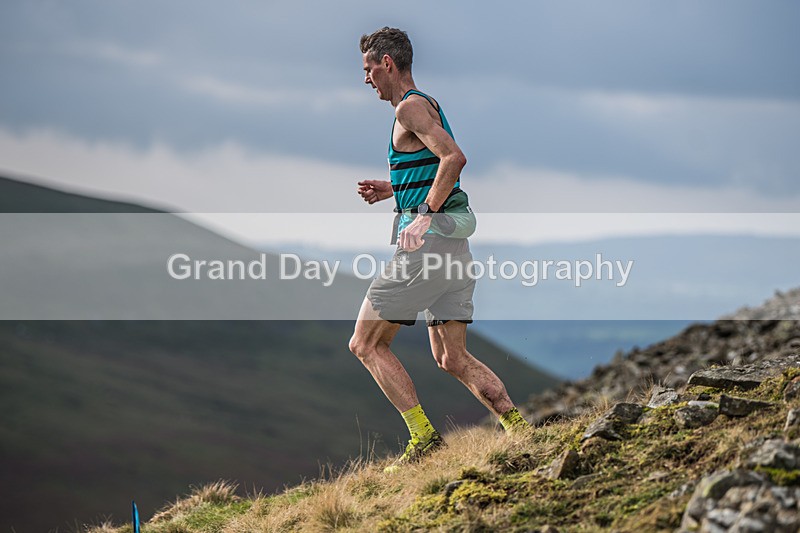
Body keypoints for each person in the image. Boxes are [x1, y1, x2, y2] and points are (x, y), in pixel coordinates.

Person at [349, 27, 530, 471]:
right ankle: (522, 430)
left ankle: (423, 438)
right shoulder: (426, 103)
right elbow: (434, 165)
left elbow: (453, 158)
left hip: (426, 249)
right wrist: (394, 189)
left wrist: (423, 215)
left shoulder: (410, 107)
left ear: (387, 63)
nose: (367, 79)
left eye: (369, 69)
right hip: (454, 251)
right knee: (452, 356)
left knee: (364, 343)